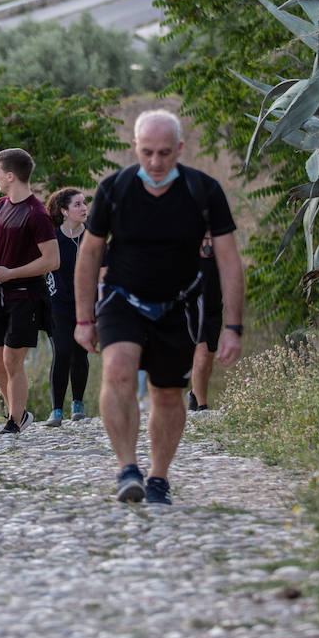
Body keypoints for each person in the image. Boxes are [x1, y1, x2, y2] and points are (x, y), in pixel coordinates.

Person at [74, 109, 244, 504]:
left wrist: (233, 327)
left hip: (179, 304)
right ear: (135, 147)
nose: (155, 162)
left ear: (179, 149)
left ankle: (159, 478)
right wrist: (84, 318)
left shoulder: (203, 191)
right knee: (116, 373)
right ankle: (127, 469)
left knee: (168, 395)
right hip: (122, 298)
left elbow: (230, 260)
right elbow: (89, 253)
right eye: (147, 152)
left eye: (164, 153)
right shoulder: (114, 189)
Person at [0, 148, 59, 434]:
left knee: (12, 359)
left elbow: (51, 260)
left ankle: (14, 421)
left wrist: (12, 273)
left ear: (10, 175)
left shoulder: (37, 214)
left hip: (27, 295)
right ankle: (19, 414)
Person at [43, 188, 90, 426]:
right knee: (62, 352)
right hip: (59, 305)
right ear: (64, 211)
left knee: (80, 353)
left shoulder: (92, 236)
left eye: (84, 203)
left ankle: (78, 403)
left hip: (86, 306)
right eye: (77, 205)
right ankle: (57, 409)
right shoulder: (54, 238)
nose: (83, 208)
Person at [189, 232, 222, 411]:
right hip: (194, 306)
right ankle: (202, 408)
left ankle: (194, 396)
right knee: (200, 358)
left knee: (208, 361)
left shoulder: (222, 241)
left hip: (214, 306)